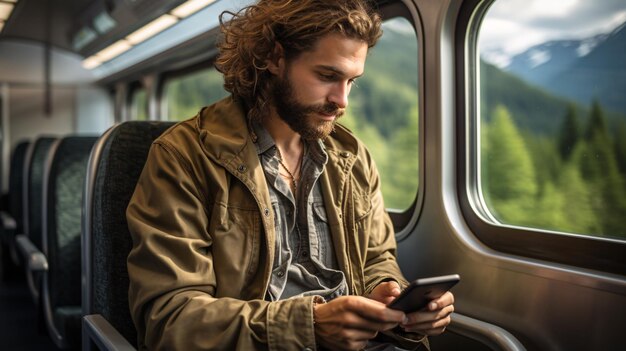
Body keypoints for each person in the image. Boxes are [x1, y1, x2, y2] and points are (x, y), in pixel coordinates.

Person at [126, 0, 454, 350]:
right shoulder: (184, 157)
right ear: (274, 58)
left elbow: (375, 258)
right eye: (327, 76)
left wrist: (389, 293)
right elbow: (170, 320)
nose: (341, 100)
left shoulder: (351, 157)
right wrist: (308, 326)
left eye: (351, 82)